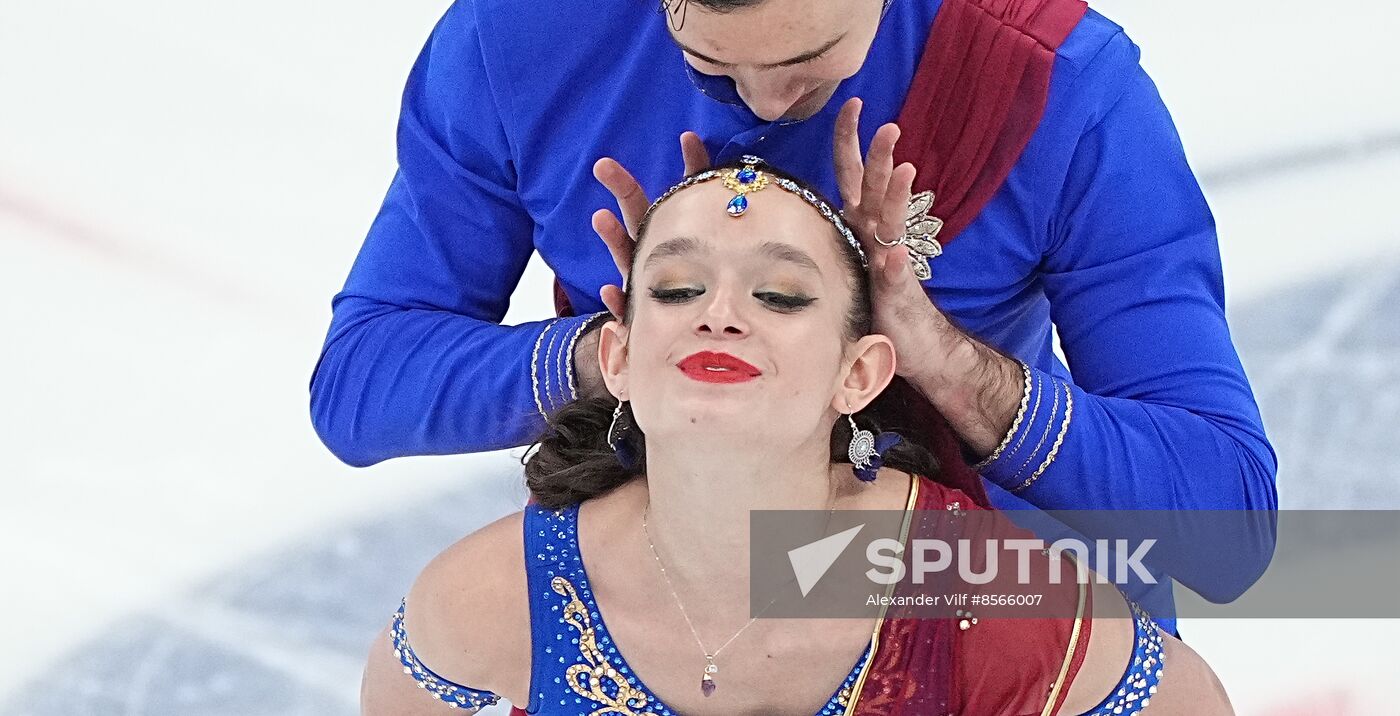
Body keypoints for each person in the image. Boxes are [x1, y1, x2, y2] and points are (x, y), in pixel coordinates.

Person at [309, 0, 1279, 623]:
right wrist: (627, 343)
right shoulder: (516, 38)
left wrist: (940, 358)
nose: (764, 104)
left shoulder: (1053, 82)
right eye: (709, 63)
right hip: (667, 579)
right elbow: (361, 386)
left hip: (976, 584)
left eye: (810, 58)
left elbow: (1226, 526)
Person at [358, 159, 1234, 715]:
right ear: (617, 358)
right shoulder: (504, 592)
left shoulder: (964, 585)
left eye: (780, 296)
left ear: (859, 374)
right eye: (675, 291)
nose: (721, 316)